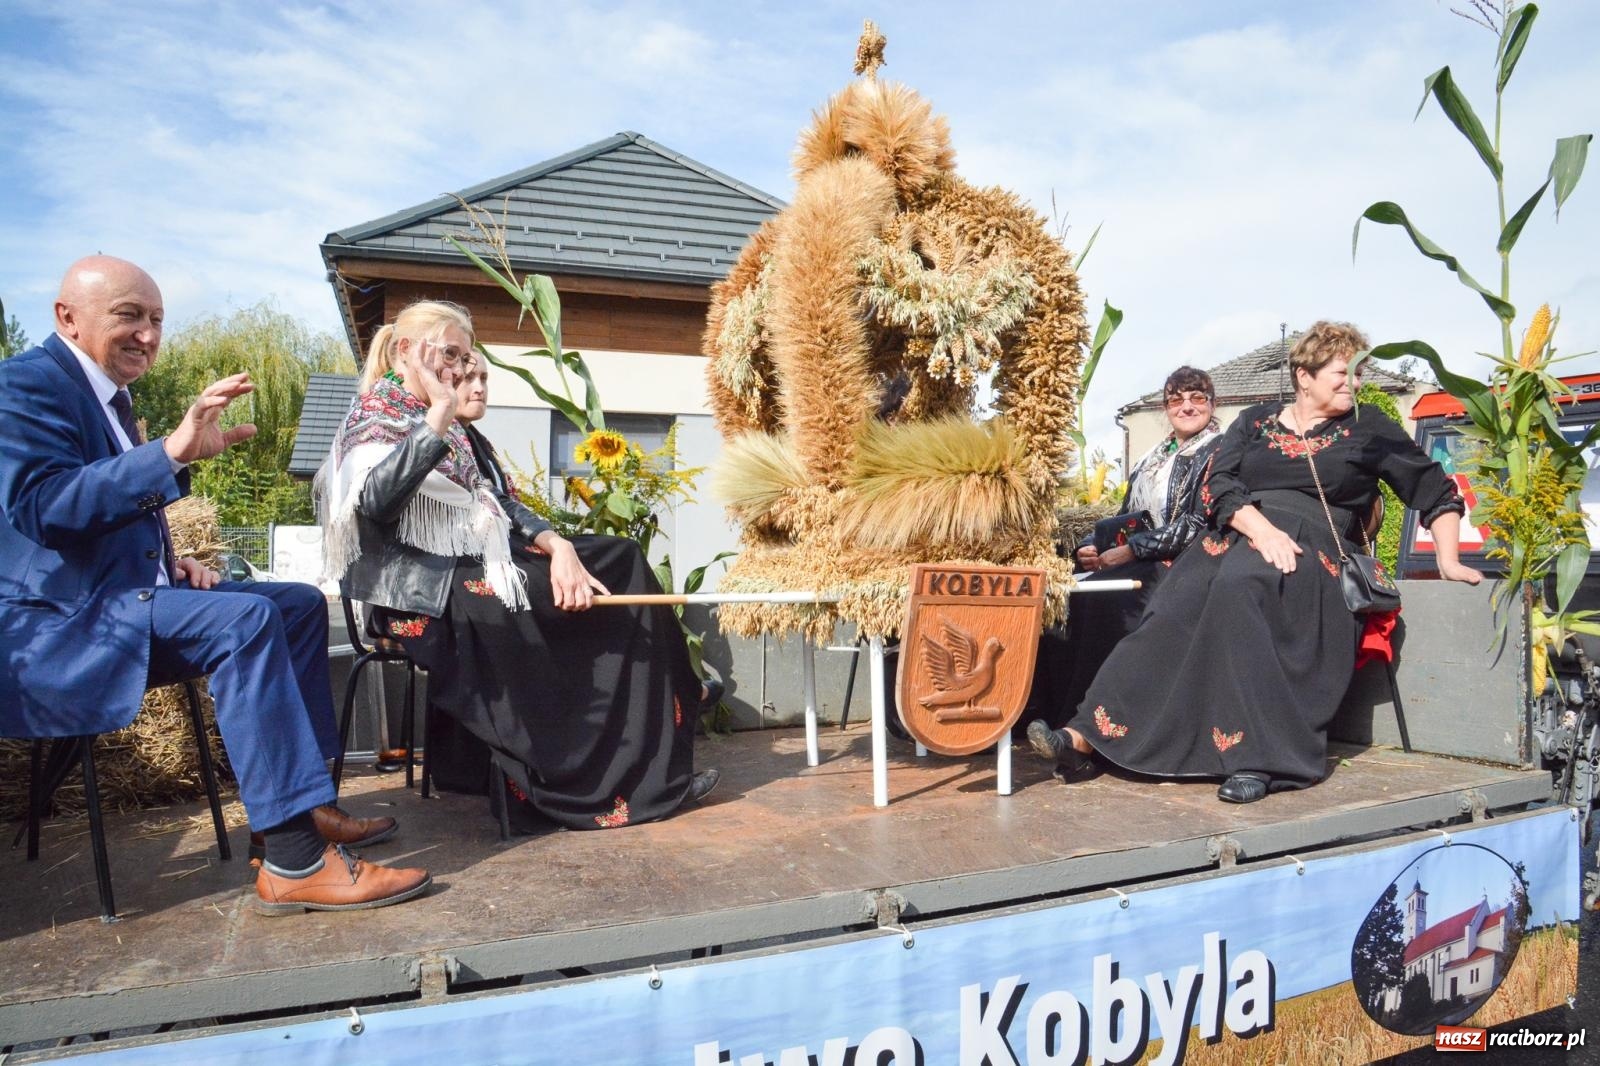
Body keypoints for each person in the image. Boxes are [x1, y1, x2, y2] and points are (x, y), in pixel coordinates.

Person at [0, 256, 429, 913]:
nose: (148, 335)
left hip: (118, 601)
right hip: (65, 625)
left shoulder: (107, 396)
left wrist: (168, 564)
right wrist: (169, 454)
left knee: (294, 604)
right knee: (243, 622)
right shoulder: (25, 385)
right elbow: (44, 508)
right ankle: (294, 862)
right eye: (129, 316)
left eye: (157, 320)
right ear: (68, 317)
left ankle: (307, 806)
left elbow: (110, 518)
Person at [1028, 321, 1481, 802]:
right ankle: (1084, 738)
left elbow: (1433, 488)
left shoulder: (1367, 426)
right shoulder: (1255, 422)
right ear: (1304, 376)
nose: (1355, 384)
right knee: (1171, 607)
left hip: (1316, 548)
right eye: (1344, 373)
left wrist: (1448, 560)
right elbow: (1219, 485)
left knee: (1244, 585)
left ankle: (1257, 758)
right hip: (1241, 533)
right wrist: (1261, 530)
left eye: (1359, 375)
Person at [321, 300, 719, 831]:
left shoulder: (445, 427)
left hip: (465, 570)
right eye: (452, 356)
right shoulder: (375, 416)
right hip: (417, 596)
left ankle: (655, 751)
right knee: (537, 601)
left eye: (465, 358)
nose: (462, 372)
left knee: (617, 558)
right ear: (404, 353)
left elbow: (494, 504)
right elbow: (376, 504)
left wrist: (558, 545)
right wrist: (439, 415)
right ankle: (576, 782)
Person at [1025, 367, 1223, 736]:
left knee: (1107, 602)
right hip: (1143, 558)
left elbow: (1198, 523)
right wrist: (1090, 544)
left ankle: (1096, 728)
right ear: (1165, 407)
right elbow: (1123, 517)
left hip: (1187, 562)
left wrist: (1131, 551)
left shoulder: (1219, 450)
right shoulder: (1154, 457)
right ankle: (1052, 713)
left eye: (1197, 398)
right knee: (1069, 596)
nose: (1187, 406)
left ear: (1213, 404)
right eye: (1176, 399)